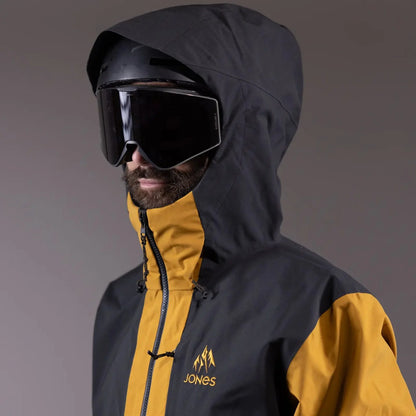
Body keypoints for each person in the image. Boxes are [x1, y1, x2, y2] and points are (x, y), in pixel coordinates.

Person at [86, 4, 415, 415]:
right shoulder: (119, 308)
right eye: (122, 125)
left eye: (164, 126)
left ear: (241, 131)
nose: (136, 156)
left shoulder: (323, 312)